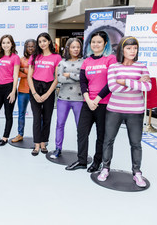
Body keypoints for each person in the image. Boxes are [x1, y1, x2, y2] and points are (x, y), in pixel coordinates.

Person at [97, 36, 151, 187]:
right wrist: (136, 82)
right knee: (108, 140)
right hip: (114, 110)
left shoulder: (141, 66)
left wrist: (124, 81)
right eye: (129, 48)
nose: (132, 51)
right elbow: (113, 88)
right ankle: (105, 168)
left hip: (136, 111)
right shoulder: (114, 67)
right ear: (122, 49)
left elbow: (147, 87)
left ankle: (137, 172)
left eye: (135, 48)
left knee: (136, 144)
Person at [66, 31, 117, 172]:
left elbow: (110, 83)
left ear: (105, 44)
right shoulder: (87, 61)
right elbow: (83, 82)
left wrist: (97, 99)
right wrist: (88, 99)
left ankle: (97, 162)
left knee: (101, 135)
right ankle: (82, 160)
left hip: (104, 103)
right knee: (82, 132)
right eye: (93, 42)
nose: (95, 44)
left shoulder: (110, 59)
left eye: (99, 42)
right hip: (88, 103)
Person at [27, 32, 61, 156]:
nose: (42, 43)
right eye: (40, 41)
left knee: (47, 118)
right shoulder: (34, 57)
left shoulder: (56, 57)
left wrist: (47, 94)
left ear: (49, 42)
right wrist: (35, 93)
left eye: (44, 41)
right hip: (35, 87)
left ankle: (43, 142)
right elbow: (29, 77)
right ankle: (36, 144)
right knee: (37, 118)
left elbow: (57, 78)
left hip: (49, 88)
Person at [50, 38, 84, 159]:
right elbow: (60, 79)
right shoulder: (62, 62)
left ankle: (82, 152)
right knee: (60, 124)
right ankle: (58, 148)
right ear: (68, 48)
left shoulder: (84, 62)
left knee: (80, 127)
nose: (76, 49)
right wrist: (77, 77)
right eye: (73, 47)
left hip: (79, 99)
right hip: (63, 98)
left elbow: (84, 78)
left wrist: (70, 74)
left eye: (78, 47)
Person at [0, 35, 20, 146]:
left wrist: (13, 91)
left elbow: (16, 75)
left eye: (8, 42)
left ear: (12, 44)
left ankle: (5, 137)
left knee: (8, 115)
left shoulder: (15, 57)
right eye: (3, 43)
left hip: (9, 88)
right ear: (1, 44)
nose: (5, 45)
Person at [12, 39, 35, 143]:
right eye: (28, 46)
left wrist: (24, 70)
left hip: (35, 91)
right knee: (21, 113)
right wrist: (28, 72)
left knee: (37, 115)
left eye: (33, 46)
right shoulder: (21, 60)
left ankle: (39, 136)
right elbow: (18, 74)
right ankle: (20, 134)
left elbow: (36, 75)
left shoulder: (38, 59)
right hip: (22, 90)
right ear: (26, 47)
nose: (30, 48)